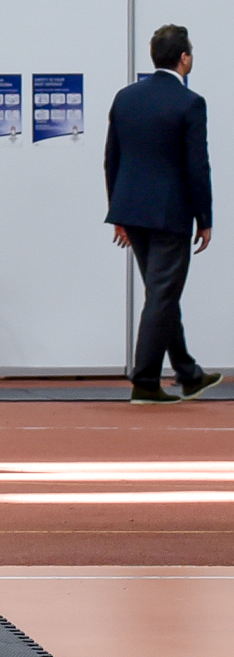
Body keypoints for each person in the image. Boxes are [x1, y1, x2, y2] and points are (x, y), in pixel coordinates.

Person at [105, 23, 221, 405]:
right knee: (161, 295)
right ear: (184, 58)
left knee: (161, 294)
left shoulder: (125, 98)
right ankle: (145, 381)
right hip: (170, 213)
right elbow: (197, 166)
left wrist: (117, 211)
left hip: (131, 210)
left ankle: (188, 374)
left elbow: (111, 158)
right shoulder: (190, 103)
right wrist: (205, 218)